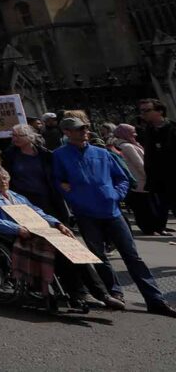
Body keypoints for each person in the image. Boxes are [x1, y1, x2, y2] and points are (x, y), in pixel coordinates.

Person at [52, 116, 176, 317]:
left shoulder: (101, 153)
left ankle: (155, 300)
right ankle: (115, 294)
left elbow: (122, 178)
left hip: (112, 211)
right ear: (67, 132)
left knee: (132, 256)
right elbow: (58, 181)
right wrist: (72, 195)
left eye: (85, 128)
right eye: (79, 129)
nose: (84, 131)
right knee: (99, 256)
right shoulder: (59, 155)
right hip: (86, 214)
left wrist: (115, 195)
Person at [0, 165, 113, 312]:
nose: (3, 181)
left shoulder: (16, 196)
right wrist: (17, 228)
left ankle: (101, 294)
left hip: (37, 232)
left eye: (5, 178)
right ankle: (79, 293)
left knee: (75, 251)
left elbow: (37, 212)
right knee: (60, 254)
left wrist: (57, 223)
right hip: (14, 236)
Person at [1, 124, 66, 223]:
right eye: (13, 135)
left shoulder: (45, 155)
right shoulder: (9, 156)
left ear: (30, 137)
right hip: (24, 200)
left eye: (19, 136)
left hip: (48, 199)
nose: (14, 139)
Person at [113, 123, 167, 235]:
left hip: (141, 181)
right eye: (132, 132)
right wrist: (150, 176)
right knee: (146, 207)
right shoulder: (128, 147)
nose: (135, 134)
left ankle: (156, 228)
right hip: (141, 181)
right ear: (125, 133)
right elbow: (139, 164)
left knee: (147, 206)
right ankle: (151, 228)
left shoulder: (128, 145)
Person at [137, 98, 176, 232]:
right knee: (162, 203)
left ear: (159, 111)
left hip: (173, 174)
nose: (143, 113)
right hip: (157, 177)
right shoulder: (148, 130)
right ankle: (159, 226)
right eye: (142, 111)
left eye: (147, 110)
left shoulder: (172, 128)